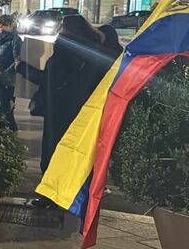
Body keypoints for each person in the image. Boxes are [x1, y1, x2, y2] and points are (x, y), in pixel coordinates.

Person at [17, 14, 121, 208]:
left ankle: (51, 196)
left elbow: (49, 80)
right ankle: (74, 196)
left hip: (60, 111)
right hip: (83, 112)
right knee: (76, 155)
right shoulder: (94, 51)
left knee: (53, 154)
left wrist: (22, 67)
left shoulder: (64, 53)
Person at [0, 15, 22, 132]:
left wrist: (6, 73)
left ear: (11, 26)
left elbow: (17, 60)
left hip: (8, 78)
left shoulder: (15, 39)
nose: (0, 27)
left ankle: (10, 128)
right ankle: (1, 127)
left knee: (7, 104)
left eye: (4, 25)